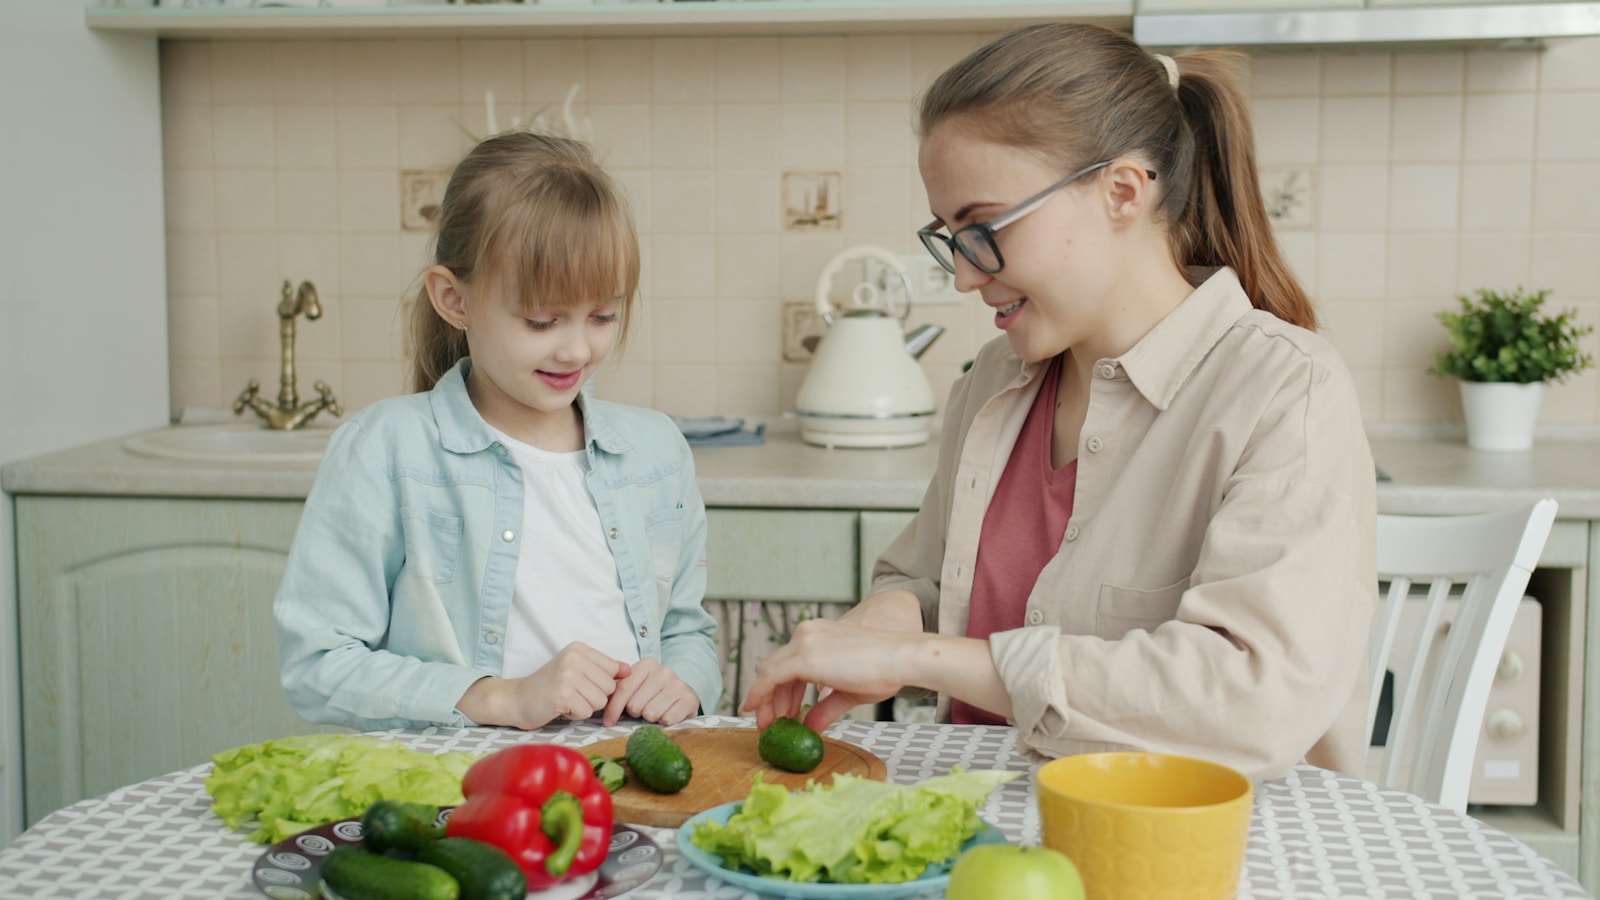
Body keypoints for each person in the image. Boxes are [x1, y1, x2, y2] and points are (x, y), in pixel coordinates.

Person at [743, 23, 1376, 781]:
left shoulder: (1283, 390)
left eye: (984, 228)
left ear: (1121, 192)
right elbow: (926, 577)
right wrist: (894, 613)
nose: (964, 278)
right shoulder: (992, 380)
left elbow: (1248, 701)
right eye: (950, 237)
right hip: (980, 828)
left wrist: (920, 655)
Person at [275, 131, 721, 733]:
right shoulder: (386, 450)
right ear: (454, 299)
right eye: (541, 320)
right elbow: (319, 663)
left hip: (627, 783)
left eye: (603, 315)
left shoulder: (656, 452)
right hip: (460, 796)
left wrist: (685, 684)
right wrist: (496, 698)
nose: (576, 348)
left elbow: (686, 631)